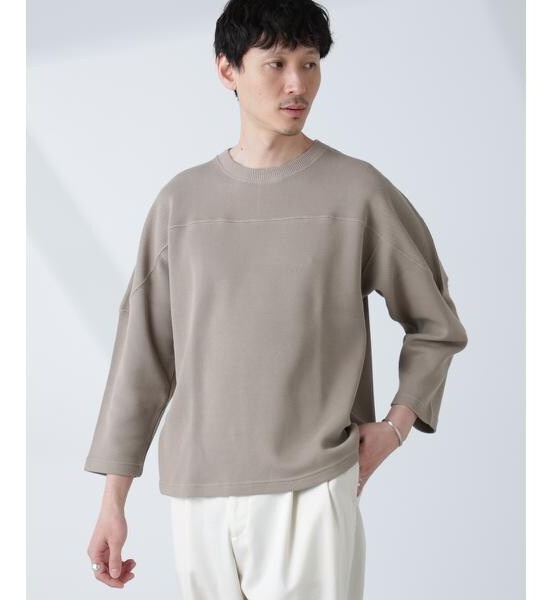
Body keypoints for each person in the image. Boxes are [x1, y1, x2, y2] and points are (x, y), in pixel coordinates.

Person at [84, 0, 469, 597]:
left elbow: (435, 322)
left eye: (310, 64)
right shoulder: (181, 203)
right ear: (227, 69)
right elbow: (144, 356)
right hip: (198, 492)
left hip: (311, 486)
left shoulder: (356, 191)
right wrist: (113, 502)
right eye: (277, 63)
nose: (298, 84)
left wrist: (395, 428)